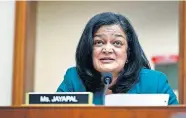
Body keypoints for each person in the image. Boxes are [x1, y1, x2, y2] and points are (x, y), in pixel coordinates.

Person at [57, 12, 178, 105]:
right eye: (99, 42)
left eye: (117, 43)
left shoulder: (154, 82)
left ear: (128, 52)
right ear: (89, 49)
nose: (107, 49)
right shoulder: (74, 79)